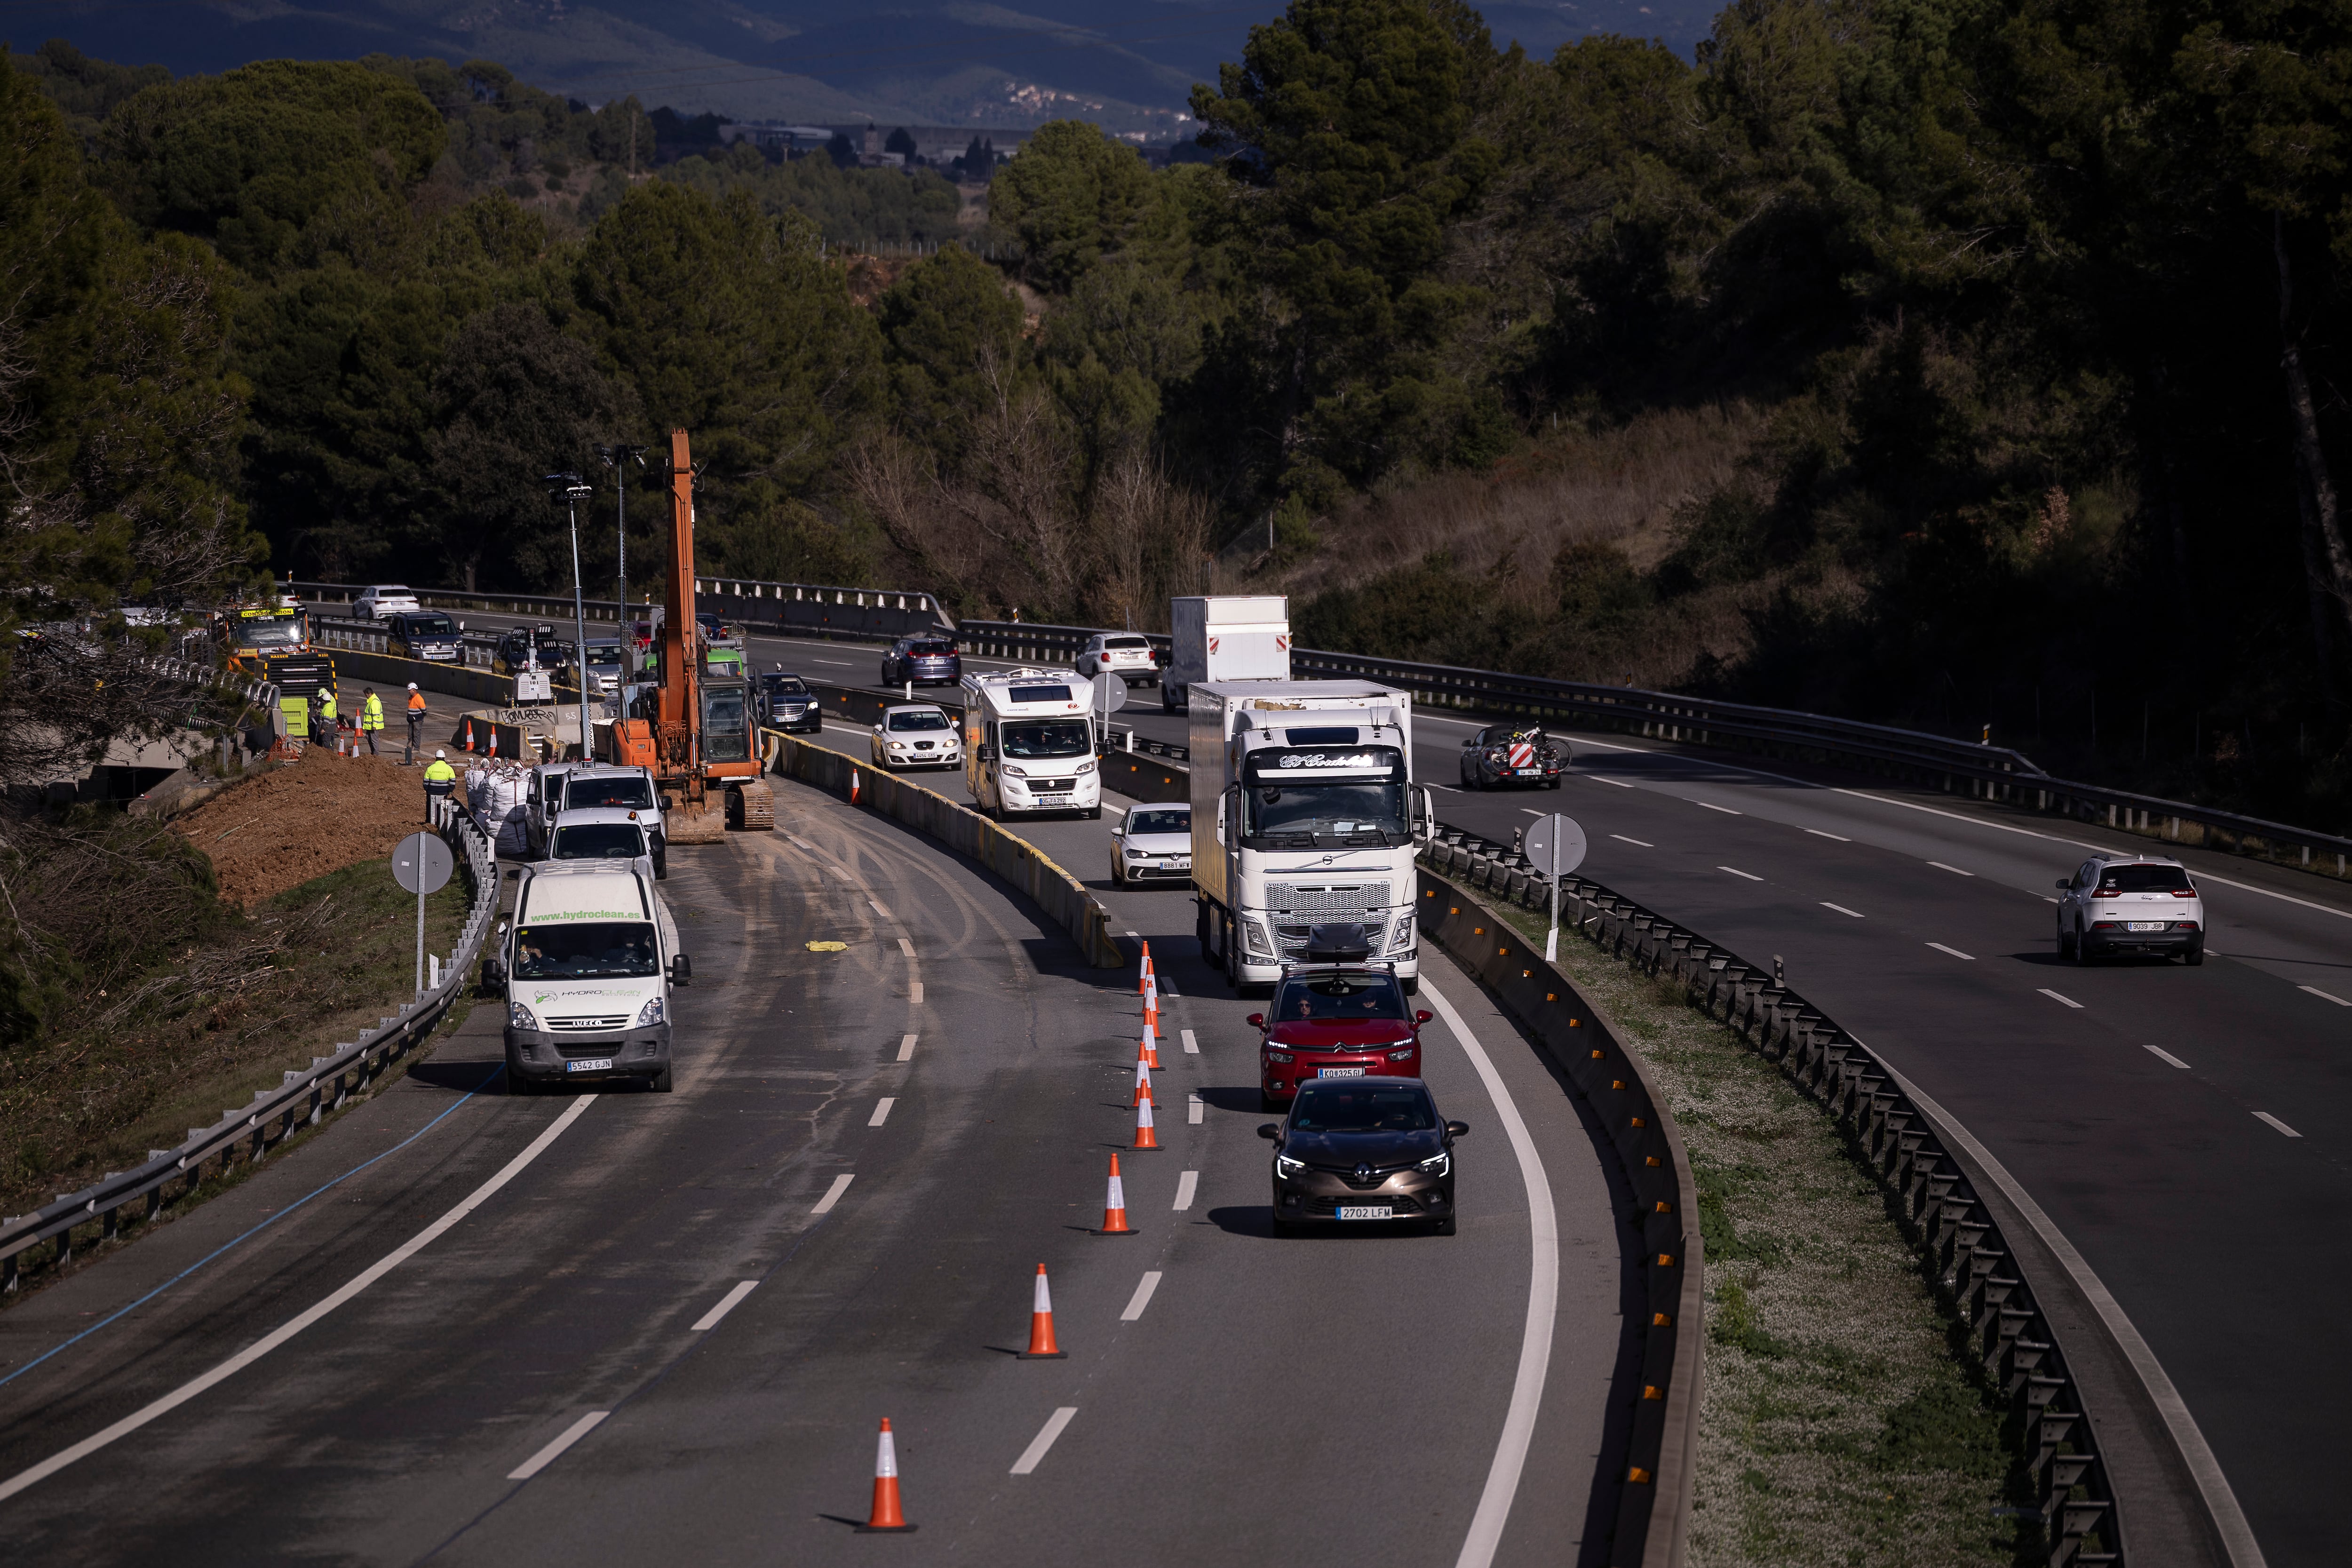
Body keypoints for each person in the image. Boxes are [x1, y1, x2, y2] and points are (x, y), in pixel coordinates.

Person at [422, 748, 458, 819]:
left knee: (430, 808)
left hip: (431, 792)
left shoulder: (431, 768)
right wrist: (449, 791)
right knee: (442, 809)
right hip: (443, 793)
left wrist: (428, 790)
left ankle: (430, 821)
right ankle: (440, 821)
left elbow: (425, 782)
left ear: (436, 758)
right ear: (444, 758)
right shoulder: (449, 768)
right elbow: (453, 782)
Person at [404, 682, 427, 764]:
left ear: (414, 690)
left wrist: (419, 717)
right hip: (411, 720)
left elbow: (424, 710)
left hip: (417, 720)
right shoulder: (411, 698)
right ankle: (410, 747)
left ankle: (416, 748)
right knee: (410, 734)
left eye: (410, 690)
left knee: (416, 733)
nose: (409, 692)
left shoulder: (419, 699)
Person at [360, 687, 385, 755]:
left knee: (374, 739)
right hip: (370, 725)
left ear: (370, 694)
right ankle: (374, 752)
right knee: (368, 737)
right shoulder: (372, 701)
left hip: (374, 725)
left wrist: (375, 725)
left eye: (367, 695)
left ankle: (376, 754)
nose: (366, 697)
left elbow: (376, 715)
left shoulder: (375, 702)